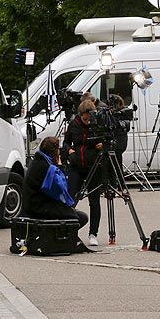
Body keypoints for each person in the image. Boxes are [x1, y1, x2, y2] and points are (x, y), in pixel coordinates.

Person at [23, 136, 88, 228]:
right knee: (79, 217)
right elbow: (60, 189)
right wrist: (60, 166)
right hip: (39, 207)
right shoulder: (48, 167)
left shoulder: (38, 161)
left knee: (71, 212)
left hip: (32, 204)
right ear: (55, 151)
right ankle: (64, 239)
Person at [63, 99, 103, 246]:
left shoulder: (97, 124)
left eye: (89, 117)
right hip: (76, 166)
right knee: (70, 199)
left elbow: (107, 139)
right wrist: (69, 150)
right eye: (84, 118)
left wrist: (101, 145)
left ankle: (93, 233)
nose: (87, 121)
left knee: (94, 201)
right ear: (80, 115)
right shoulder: (74, 124)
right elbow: (66, 142)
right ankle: (68, 229)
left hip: (93, 166)